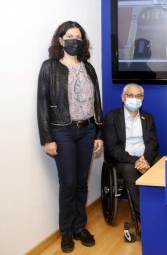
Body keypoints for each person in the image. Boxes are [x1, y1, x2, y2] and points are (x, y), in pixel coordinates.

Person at [37, 21, 103, 252]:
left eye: (79, 36)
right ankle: (66, 231)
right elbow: (42, 104)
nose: (75, 40)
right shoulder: (49, 67)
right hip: (62, 131)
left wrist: (99, 133)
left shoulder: (89, 68)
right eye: (70, 36)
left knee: (81, 183)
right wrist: (47, 138)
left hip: (87, 130)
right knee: (68, 184)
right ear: (60, 40)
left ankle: (79, 227)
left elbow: (96, 102)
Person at [103, 83, 160, 229]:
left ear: (142, 99)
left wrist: (145, 160)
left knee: (162, 163)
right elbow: (112, 148)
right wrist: (136, 161)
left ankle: (160, 210)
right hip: (124, 160)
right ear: (123, 97)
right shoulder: (112, 117)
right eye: (130, 95)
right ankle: (141, 216)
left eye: (138, 96)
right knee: (129, 170)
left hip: (145, 157)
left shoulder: (148, 118)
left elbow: (153, 143)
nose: (135, 99)